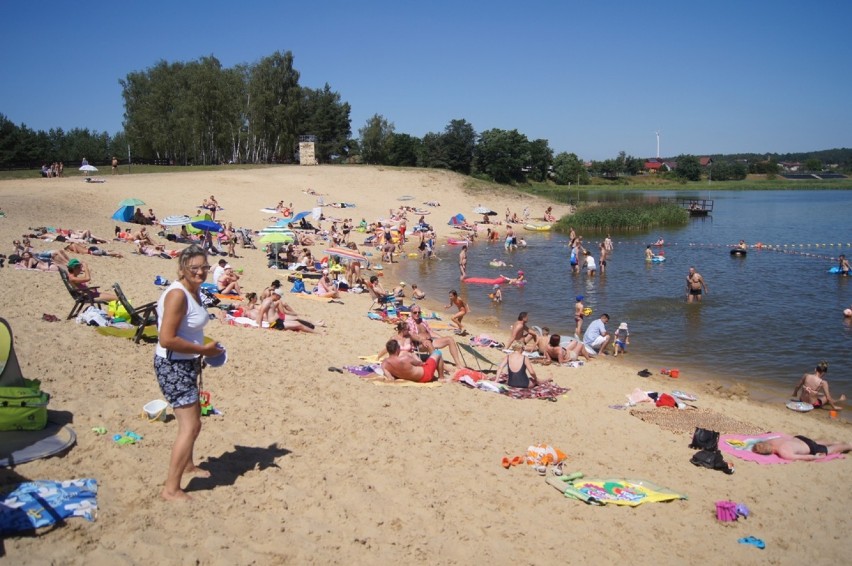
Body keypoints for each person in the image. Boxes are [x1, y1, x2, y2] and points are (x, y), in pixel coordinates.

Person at [153, 245, 222, 501]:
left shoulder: (195, 290)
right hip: (173, 365)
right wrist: (203, 349)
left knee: (195, 423)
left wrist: (202, 352)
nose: (201, 273)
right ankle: (171, 489)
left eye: (204, 267)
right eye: (194, 268)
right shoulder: (178, 295)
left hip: (187, 362)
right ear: (182, 268)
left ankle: (189, 464)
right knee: (189, 425)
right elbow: (167, 339)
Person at [752, 436, 852, 461]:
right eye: (760, 449)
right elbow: (800, 457)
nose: (760, 446)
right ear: (767, 452)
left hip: (802, 441)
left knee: (820, 443)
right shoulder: (783, 452)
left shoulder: (771, 441)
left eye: (759, 445)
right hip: (806, 444)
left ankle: (838, 443)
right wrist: (815, 457)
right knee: (831, 449)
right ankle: (848, 445)